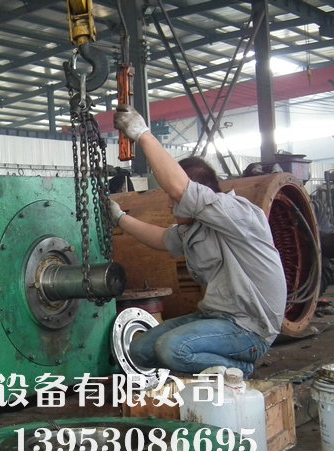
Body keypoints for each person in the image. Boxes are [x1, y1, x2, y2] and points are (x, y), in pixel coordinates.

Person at [110, 105, 287, 377]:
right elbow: (161, 238)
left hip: (250, 328)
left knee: (172, 349)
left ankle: (241, 368)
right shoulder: (195, 227)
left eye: (173, 199)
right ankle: (213, 366)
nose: (170, 205)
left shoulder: (236, 214)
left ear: (199, 193)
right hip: (215, 317)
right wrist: (120, 217)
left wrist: (143, 134)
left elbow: (179, 187)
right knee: (139, 350)